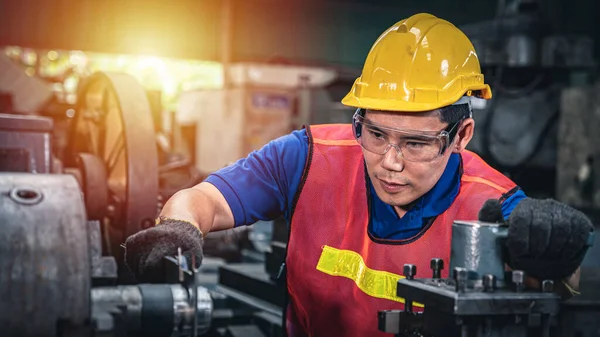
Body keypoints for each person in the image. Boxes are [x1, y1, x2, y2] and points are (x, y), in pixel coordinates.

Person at [124, 13, 594, 337]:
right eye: (374, 133)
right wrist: (178, 229)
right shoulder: (307, 158)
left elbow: (557, 281)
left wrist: (557, 256)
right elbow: (203, 199)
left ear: (461, 134)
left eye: (416, 143)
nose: (390, 161)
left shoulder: (493, 202)